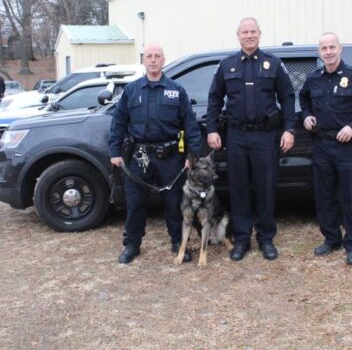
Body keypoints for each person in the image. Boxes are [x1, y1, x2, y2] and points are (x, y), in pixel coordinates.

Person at [206, 17, 296, 261]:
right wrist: (212, 129)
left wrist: (289, 129)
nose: (249, 35)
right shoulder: (226, 65)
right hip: (235, 136)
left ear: (260, 34)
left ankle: (266, 239)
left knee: (266, 188)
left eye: (253, 31)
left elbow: (288, 97)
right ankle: (242, 239)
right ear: (238, 35)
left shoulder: (273, 64)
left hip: (265, 136)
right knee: (239, 189)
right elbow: (214, 98)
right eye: (244, 32)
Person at [109, 44, 202, 264]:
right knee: (135, 202)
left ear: (163, 60)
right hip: (138, 156)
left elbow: (190, 125)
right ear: (144, 60)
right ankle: (132, 244)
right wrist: (114, 151)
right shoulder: (131, 90)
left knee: (174, 203)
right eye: (149, 56)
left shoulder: (176, 90)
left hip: (169, 157)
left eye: (157, 56)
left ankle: (178, 243)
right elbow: (118, 123)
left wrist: (192, 155)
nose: (153, 60)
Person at [299, 32, 352, 265]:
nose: (328, 52)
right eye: (324, 48)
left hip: (347, 146)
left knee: (350, 197)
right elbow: (304, 99)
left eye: (332, 47)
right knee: (324, 196)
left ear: (340, 49)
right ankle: (331, 238)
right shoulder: (313, 78)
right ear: (319, 51)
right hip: (322, 144)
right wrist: (306, 116)